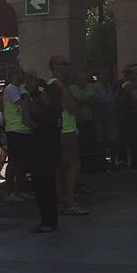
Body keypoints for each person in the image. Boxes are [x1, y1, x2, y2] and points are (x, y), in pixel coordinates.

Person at [47, 56, 90, 216]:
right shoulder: (57, 85)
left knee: (62, 167)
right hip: (65, 131)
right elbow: (73, 108)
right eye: (63, 64)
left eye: (67, 64)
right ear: (54, 67)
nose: (67, 67)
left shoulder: (57, 84)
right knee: (73, 165)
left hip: (65, 129)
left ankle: (62, 199)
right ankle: (69, 201)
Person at [31, 79, 64, 232]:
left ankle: (47, 221)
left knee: (43, 188)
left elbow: (30, 121)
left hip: (43, 153)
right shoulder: (57, 112)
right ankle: (52, 220)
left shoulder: (46, 114)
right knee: (50, 187)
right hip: (54, 151)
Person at [1, 65, 35, 201]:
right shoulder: (10, 89)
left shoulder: (22, 89)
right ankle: (9, 192)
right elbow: (22, 105)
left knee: (22, 163)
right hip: (15, 129)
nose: (24, 76)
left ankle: (19, 190)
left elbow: (29, 103)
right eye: (22, 73)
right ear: (15, 75)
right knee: (14, 162)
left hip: (24, 130)